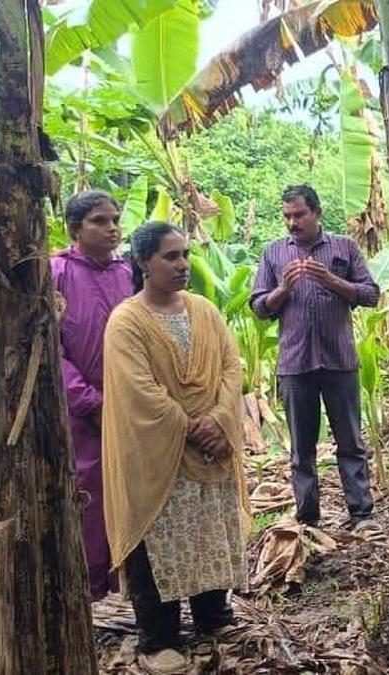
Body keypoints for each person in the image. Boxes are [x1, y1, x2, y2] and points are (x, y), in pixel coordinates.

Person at [101, 222, 250, 674]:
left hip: (212, 449)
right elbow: (139, 390)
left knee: (210, 533)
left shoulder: (205, 311)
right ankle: (159, 636)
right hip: (159, 457)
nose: (183, 264)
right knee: (157, 542)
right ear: (144, 262)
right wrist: (189, 426)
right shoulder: (126, 321)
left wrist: (222, 421)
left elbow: (230, 368)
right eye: (170, 256)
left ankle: (213, 616)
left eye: (184, 255)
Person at [250, 185, 380, 529]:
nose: (293, 222)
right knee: (301, 449)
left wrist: (332, 280)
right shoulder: (274, 253)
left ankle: (362, 513)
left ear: (317, 213)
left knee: (350, 442)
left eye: (299, 215)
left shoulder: (344, 248)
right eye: (287, 216)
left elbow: (371, 295)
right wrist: (283, 289)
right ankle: (308, 520)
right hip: (295, 364)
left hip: (339, 361)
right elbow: (259, 308)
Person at [50, 190, 131, 601]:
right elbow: (50, 350)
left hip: (131, 407)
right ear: (75, 228)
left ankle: (128, 583)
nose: (112, 228)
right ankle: (89, 590)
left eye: (115, 219)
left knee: (130, 494)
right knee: (88, 498)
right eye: (100, 221)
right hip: (81, 414)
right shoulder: (56, 273)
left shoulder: (128, 273)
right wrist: (89, 402)